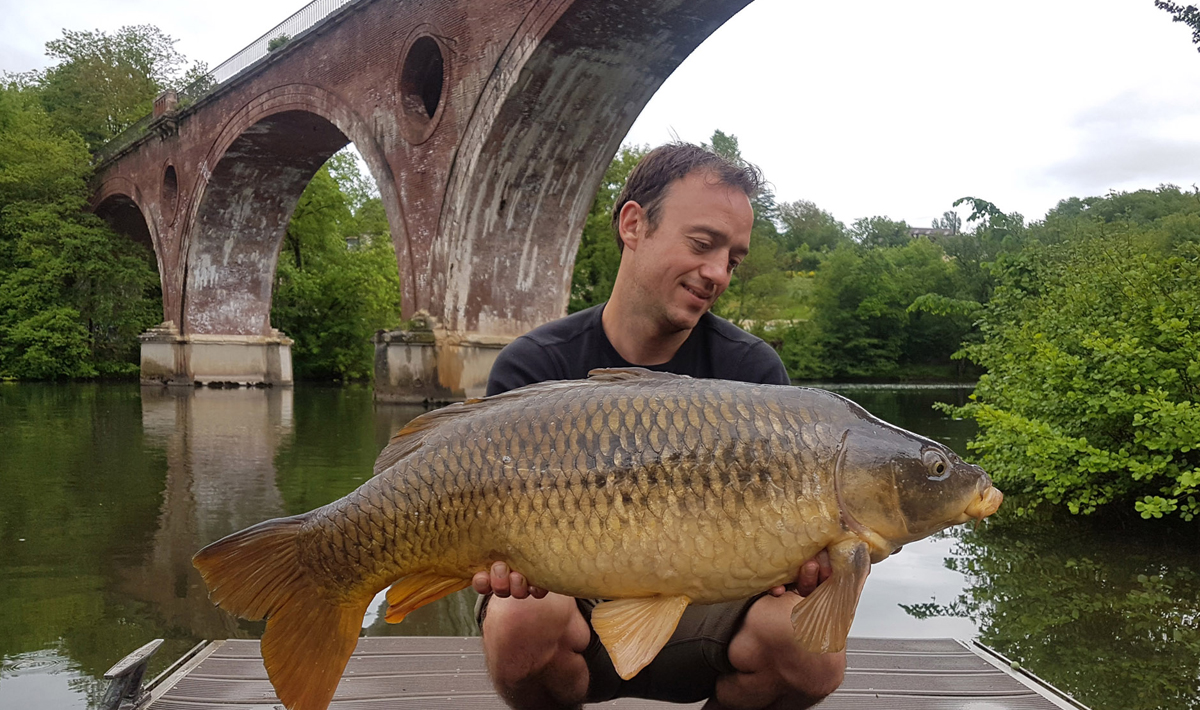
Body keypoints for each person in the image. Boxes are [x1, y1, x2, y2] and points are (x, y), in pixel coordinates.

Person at [472, 143, 844, 710]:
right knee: (518, 618)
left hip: (707, 619)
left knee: (811, 648)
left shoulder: (752, 374)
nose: (718, 272)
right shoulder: (535, 366)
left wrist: (800, 566)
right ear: (633, 224)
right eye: (702, 244)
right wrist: (500, 570)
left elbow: (789, 561)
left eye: (733, 259)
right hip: (571, 605)